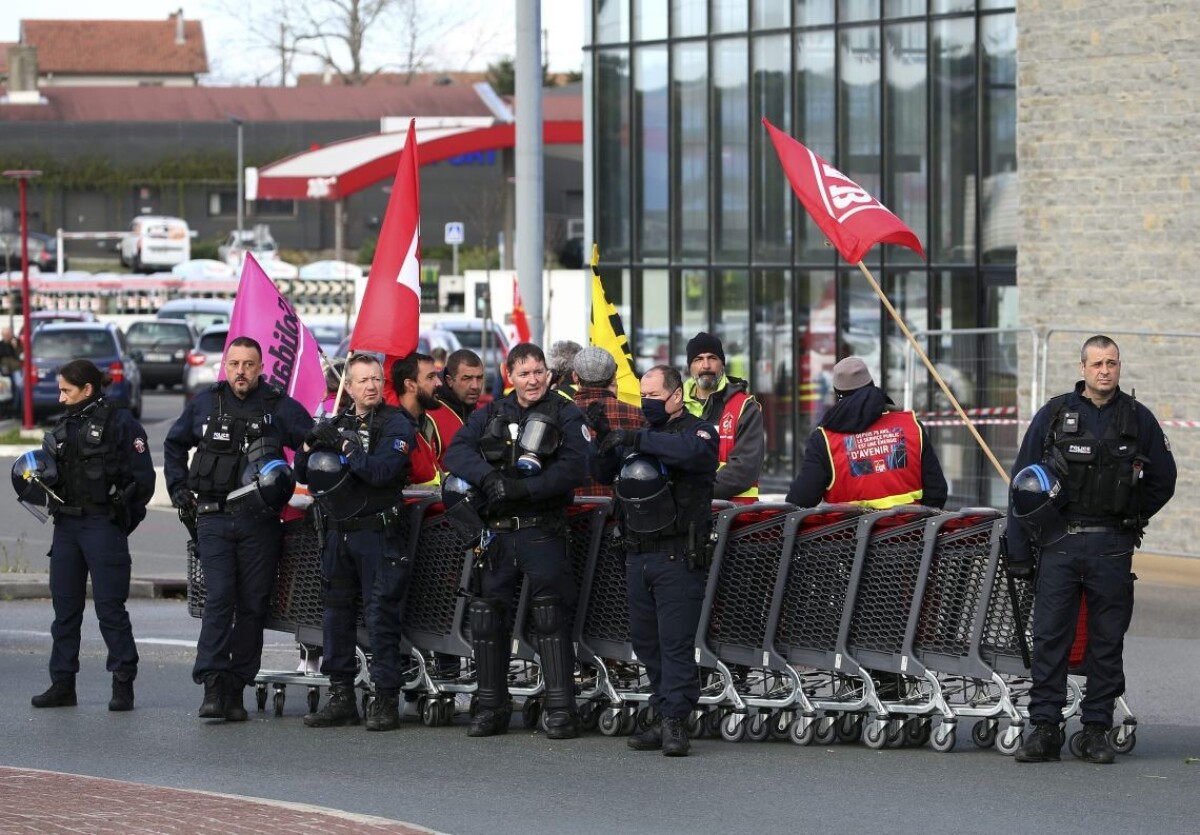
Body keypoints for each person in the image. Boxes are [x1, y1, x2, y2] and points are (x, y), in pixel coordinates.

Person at [1009, 335, 1175, 765]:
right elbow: (1021, 483)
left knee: (1106, 642)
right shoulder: (1054, 415)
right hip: (1059, 544)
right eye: (1097, 363)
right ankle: (1044, 729)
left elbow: (1164, 480)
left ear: (1120, 367)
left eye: (1112, 363)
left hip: (1112, 547)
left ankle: (1096, 729)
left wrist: (1131, 515)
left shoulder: (1138, 419)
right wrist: (1019, 549)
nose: (1105, 370)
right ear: (1082, 367)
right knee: (1050, 640)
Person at [443, 342, 592, 739]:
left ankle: (561, 709)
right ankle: (492, 707)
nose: (533, 380)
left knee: (550, 617)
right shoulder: (493, 411)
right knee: (488, 619)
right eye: (524, 374)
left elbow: (576, 467)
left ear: (548, 373)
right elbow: (455, 453)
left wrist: (528, 491)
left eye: (539, 372)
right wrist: (489, 479)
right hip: (498, 534)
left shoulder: (565, 411)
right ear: (510, 376)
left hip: (542, 528)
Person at [163, 336, 312, 722]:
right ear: (225, 367)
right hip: (212, 516)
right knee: (220, 597)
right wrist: (178, 488)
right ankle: (212, 683)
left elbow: (310, 441)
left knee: (252, 605)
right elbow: (175, 444)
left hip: (260, 522)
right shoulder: (206, 403)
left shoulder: (278, 407)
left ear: (260, 368)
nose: (241, 371)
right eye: (234, 364)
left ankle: (236, 686)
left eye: (249, 364)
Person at [590, 364, 719, 757]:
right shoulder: (641, 437)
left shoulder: (697, 431)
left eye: (654, 397)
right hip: (636, 555)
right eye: (642, 397)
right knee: (647, 644)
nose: (647, 404)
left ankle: (676, 719)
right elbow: (597, 471)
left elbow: (693, 455)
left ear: (677, 396)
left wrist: (636, 437)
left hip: (678, 554)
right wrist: (602, 438)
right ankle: (661, 710)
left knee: (674, 642)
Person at [24, 359, 155, 711]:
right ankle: (62, 684)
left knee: (110, 609)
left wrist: (121, 521)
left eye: (67, 389)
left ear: (87, 389)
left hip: (102, 525)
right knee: (65, 609)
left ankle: (123, 683)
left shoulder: (121, 423)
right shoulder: (65, 423)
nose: (61, 397)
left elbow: (143, 481)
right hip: (66, 527)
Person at [297, 353, 416, 732]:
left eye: (376, 380)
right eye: (362, 380)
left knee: (381, 616)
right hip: (338, 532)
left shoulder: (396, 423)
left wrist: (347, 449)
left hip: (377, 534)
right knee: (336, 615)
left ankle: (384, 699)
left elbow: (381, 472)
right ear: (347, 386)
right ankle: (341, 696)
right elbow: (303, 472)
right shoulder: (338, 421)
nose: (370, 386)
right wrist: (312, 442)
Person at [785, 356, 948, 510]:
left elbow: (802, 499)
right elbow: (937, 491)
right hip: (909, 535)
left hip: (848, 537)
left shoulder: (825, 439)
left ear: (838, 395)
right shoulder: (912, 427)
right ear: (872, 386)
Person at [681, 332, 764, 503]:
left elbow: (744, 468)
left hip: (735, 517)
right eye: (698, 359)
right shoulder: (676, 405)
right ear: (690, 367)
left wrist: (693, 490)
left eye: (712, 358)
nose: (705, 365)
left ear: (722, 364)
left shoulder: (745, 407)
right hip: (685, 516)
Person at [571, 345, 642, 498]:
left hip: (574, 512)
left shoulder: (561, 413)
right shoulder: (638, 414)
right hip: (624, 511)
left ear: (575, 377)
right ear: (613, 376)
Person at [436, 348, 486, 426]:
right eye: (467, 378)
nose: (475, 386)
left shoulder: (485, 415)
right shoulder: (430, 416)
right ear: (449, 381)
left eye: (479, 378)